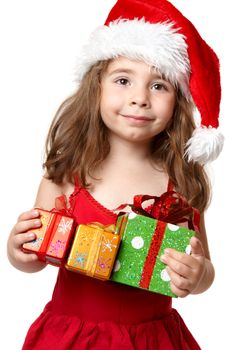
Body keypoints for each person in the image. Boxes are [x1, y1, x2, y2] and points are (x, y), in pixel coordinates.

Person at [7, 0, 224, 349]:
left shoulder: (180, 180)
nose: (140, 98)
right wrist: (19, 252)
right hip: (72, 338)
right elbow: (35, 257)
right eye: (123, 80)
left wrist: (197, 276)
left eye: (159, 86)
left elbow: (204, 268)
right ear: (96, 88)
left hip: (153, 339)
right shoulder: (65, 173)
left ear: (178, 102)